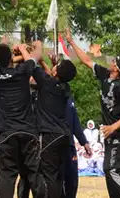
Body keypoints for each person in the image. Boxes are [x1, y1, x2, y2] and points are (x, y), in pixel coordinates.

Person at [66, 29, 120, 198]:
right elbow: (86, 60)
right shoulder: (105, 75)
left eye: (115, 61)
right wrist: (71, 41)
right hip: (111, 134)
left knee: (112, 169)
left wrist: (113, 127)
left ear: (118, 69)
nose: (112, 61)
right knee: (109, 170)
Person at [0, 44, 43, 198]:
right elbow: (32, 60)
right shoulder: (21, 72)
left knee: (7, 175)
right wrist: (22, 48)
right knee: (34, 172)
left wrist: (7, 52)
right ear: (11, 59)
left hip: (7, 133)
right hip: (28, 131)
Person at [30, 51, 78, 198]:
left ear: (56, 71)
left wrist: (29, 50)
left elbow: (30, 62)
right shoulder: (64, 87)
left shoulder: (48, 83)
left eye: (56, 65)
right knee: (57, 175)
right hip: (63, 136)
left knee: (49, 175)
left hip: (50, 135)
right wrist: (48, 64)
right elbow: (51, 78)